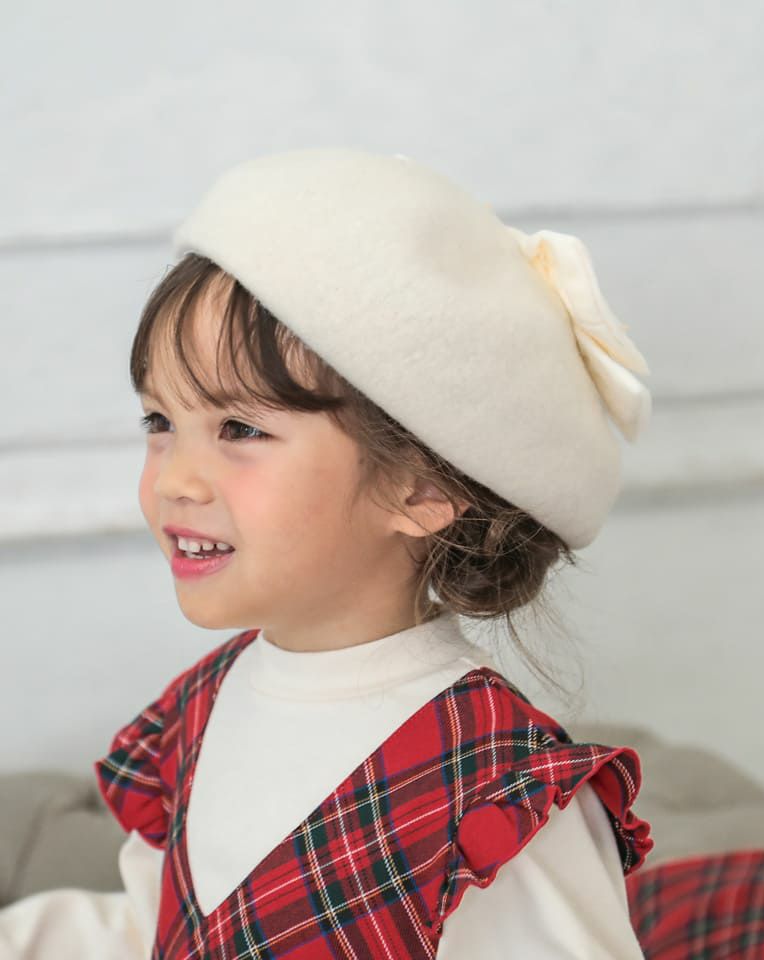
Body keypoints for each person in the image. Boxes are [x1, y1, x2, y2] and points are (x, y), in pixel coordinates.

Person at [0, 147, 654, 958]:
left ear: (420, 488)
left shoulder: (494, 797)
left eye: (241, 429)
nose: (174, 479)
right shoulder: (202, 705)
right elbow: (159, 931)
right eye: (160, 422)